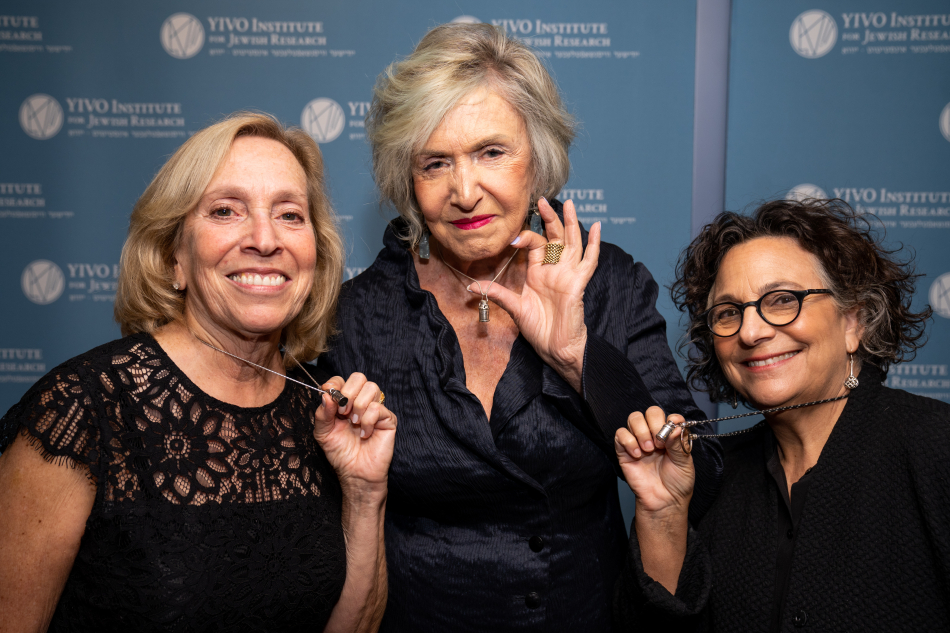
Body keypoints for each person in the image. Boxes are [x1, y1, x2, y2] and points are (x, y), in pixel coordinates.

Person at [319, 22, 722, 631]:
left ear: (539, 158)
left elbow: (700, 472)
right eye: (435, 163)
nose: (465, 191)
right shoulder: (356, 315)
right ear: (407, 179)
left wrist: (576, 354)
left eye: (491, 152)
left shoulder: (605, 283)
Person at [0, 112, 395, 632]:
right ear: (174, 257)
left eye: (289, 214)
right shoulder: (84, 408)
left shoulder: (322, 413)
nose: (264, 239)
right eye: (226, 211)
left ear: (315, 256)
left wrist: (365, 494)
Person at [613, 198, 950, 632]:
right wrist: (663, 516)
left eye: (782, 300)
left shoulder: (936, 446)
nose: (751, 332)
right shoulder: (712, 475)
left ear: (854, 322)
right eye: (729, 313)